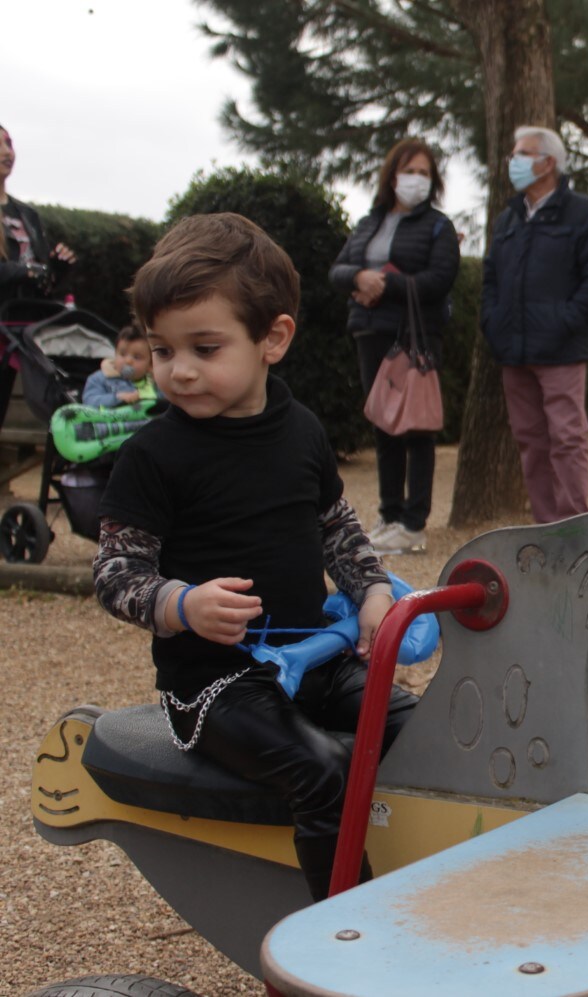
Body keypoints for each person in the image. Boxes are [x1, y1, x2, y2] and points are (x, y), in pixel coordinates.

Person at [92, 213, 417, 903]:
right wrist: (180, 603)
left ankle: (436, 879)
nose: (178, 370)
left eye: (205, 348)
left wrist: (372, 588)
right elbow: (115, 574)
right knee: (322, 769)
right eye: (161, 349)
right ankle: (346, 936)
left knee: (424, 725)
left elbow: (337, 525)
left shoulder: (300, 431)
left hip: (318, 659)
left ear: (273, 338)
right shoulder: (152, 456)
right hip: (215, 685)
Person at [480, 125, 588, 524]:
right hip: (513, 350)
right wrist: (493, 324)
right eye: (514, 154)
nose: (514, 162)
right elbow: (490, 279)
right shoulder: (507, 220)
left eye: (523, 154)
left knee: (567, 439)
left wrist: (565, 321)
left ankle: (573, 525)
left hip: (561, 349)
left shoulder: (587, 215)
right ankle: (547, 528)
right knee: (530, 441)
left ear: (549, 163)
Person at [330, 137, 460, 557]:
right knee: (383, 423)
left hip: (415, 335)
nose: (416, 180)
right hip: (371, 331)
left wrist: (384, 285)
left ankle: (413, 522)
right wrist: (357, 279)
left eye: (424, 173)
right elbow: (338, 268)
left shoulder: (438, 226)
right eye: (410, 171)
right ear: (392, 175)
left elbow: (440, 278)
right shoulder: (369, 222)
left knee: (417, 426)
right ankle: (388, 514)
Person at [0, 122, 76, 306]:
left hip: (30, 322)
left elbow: (45, 283)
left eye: (9, 144)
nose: (7, 152)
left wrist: (57, 267)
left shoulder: (28, 214)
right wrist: (26, 271)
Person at [82, 323, 156, 408]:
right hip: (110, 420)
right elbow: (89, 401)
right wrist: (118, 398)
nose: (128, 361)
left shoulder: (155, 383)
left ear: (150, 364)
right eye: (123, 354)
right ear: (115, 354)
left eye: (137, 357)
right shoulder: (99, 379)